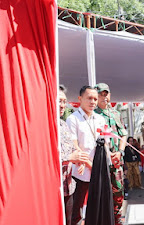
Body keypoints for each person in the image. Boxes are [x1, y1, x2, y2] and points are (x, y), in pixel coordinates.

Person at [66, 85, 106, 225]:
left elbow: (104, 143)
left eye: (95, 99)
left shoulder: (100, 119)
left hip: (98, 170)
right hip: (80, 171)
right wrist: (88, 164)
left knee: (98, 206)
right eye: (89, 98)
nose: (93, 102)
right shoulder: (73, 119)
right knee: (77, 209)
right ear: (80, 99)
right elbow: (74, 146)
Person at [94, 83, 128, 225]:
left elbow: (124, 135)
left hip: (116, 160)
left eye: (106, 94)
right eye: (101, 94)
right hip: (101, 160)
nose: (104, 97)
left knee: (118, 190)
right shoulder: (93, 114)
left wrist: (120, 152)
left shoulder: (116, 114)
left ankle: (117, 218)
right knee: (101, 193)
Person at [59, 85, 91, 225]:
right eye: (58, 101)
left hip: (68, 185)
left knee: (72, 219)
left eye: (64, 102)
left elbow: (72, 148)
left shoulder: (63, 125)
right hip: (54, 187)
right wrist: (69, 158)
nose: (62, 105)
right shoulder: (44, 125)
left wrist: (80, 160)